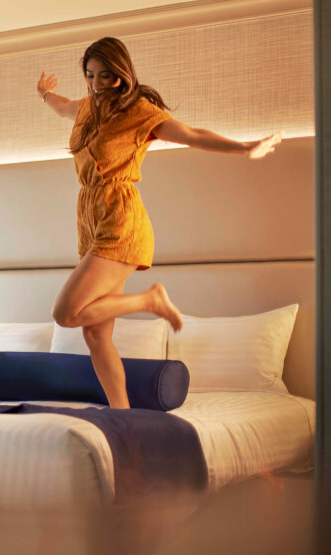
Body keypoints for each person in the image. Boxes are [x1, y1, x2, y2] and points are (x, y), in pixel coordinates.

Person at [37, 37, 283, 409]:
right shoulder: (86, 107)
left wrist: (244, 148)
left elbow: (192, 135)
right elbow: (61, 106)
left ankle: (150, 299)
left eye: (105, 76)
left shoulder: (138, 110)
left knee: (65, 313)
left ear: (121, 75)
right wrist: (44, 94)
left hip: (120, 220)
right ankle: (124, 418)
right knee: (96, 336)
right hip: (89, 219)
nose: (97, 83)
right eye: (90, 75)